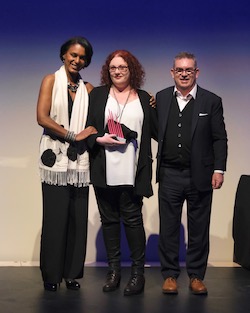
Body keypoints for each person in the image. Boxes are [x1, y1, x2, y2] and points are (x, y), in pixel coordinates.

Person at [86, 50, 157, 296]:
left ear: (132, 70)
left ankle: (138, 274)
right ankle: (114, 271)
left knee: (133, 221)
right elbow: (87, 128)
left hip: (133, 169)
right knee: (109, 221)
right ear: (108, 70)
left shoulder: (145, 98)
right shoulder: (97, 95)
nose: (117, 71)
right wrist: (98, 138)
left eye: (123, 67)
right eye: (113, 67)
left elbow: (156, 131)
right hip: (104, 168)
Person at [155, 52, 228, 295]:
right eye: (179, 70)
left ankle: (196, 275)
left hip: (201, 175)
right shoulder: (162, 98)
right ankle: (170, 275)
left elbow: (219, 138)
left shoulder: (211, 100)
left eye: (188, 70)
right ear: (172, 72)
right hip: (169, 174)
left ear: (197, 72)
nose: (184, 73)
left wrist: (219, 169)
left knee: (199, 228)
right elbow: (156, 131)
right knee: (168, 228)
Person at [36, 36, 97, 292]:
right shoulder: (51, 80)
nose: (77, 60)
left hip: (80, 163)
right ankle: (52, 275)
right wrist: (73, 135)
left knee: (77, 218)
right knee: (55, 219)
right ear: (64, 55)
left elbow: (110, 107)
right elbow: (41, 117)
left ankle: (71, 274)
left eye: (82, 57)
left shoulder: (89, 89)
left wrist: (145, 96)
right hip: (55, 161)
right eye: (73, 55)